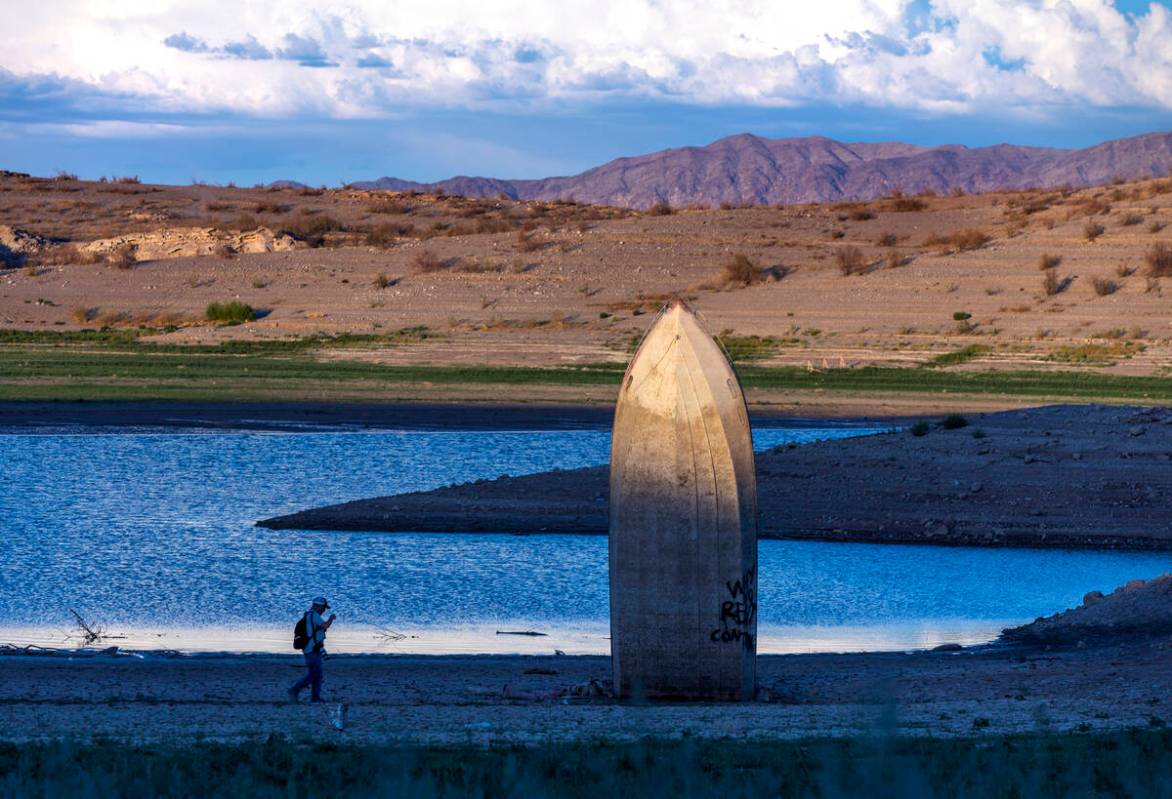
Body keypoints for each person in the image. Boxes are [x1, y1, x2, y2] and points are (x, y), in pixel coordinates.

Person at [289, 596, 336, 704]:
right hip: (312, 650)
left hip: (311, 649)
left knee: (316, 674)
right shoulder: (314, 616)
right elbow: (325, 625)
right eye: (323, 607)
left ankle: (315, 698)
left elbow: (319, 629)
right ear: (318, 606)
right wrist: (331, 618)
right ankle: (295, 690)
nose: (324, 610)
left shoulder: (309, 616)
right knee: (315, 674)